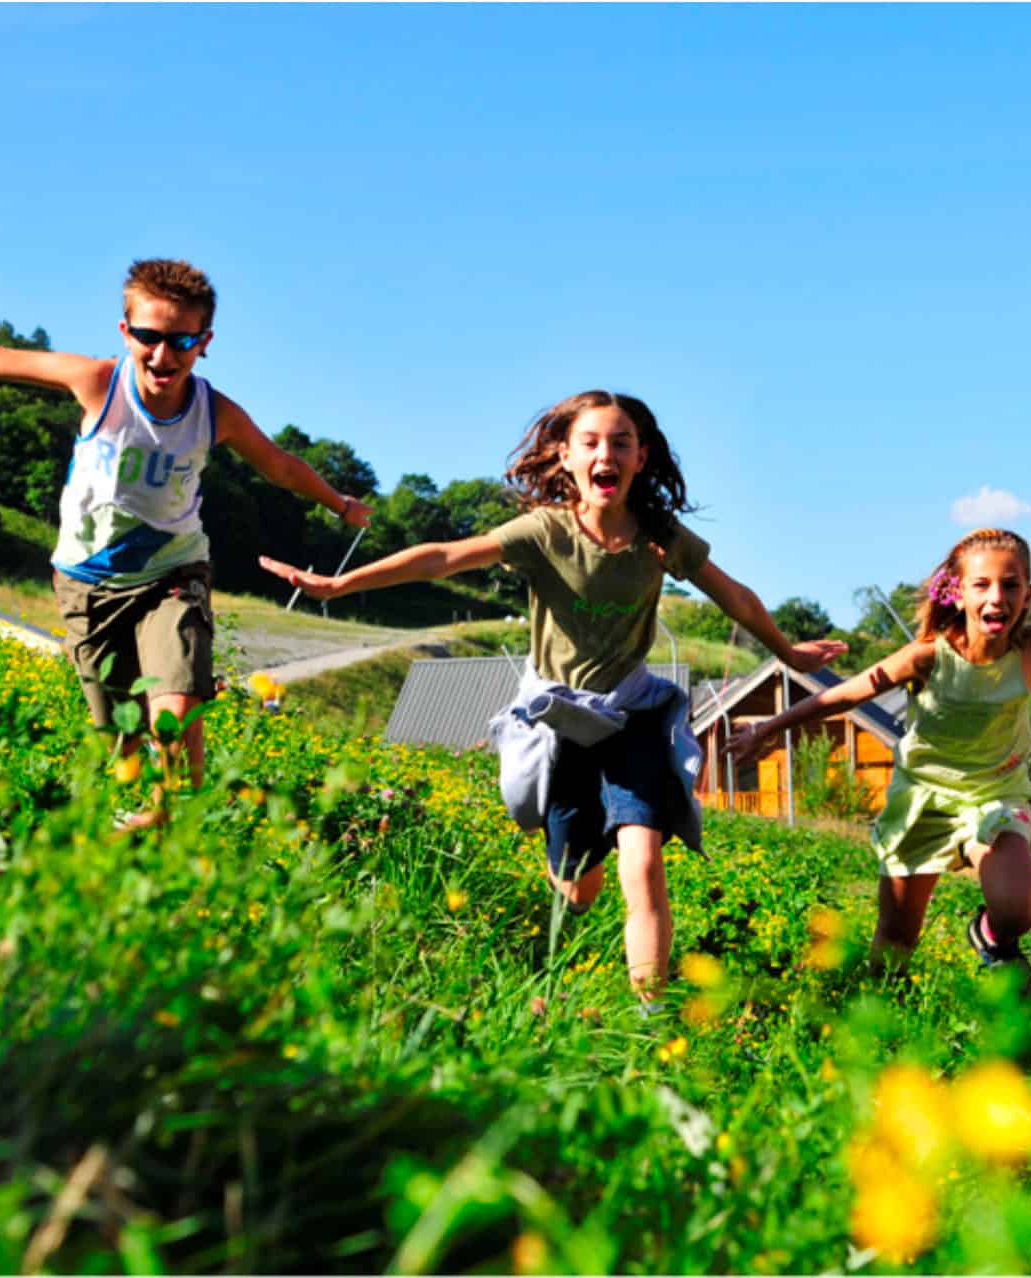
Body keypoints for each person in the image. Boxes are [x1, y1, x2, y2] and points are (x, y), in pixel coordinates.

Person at [259, 389, 843, 1003]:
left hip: (630, 715)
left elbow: (737, 597)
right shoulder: (544, 532)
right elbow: (444, 557)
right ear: (564, 456)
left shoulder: (660, 538)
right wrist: (342, 584)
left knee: (642, 864)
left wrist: (787, 651)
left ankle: (651, 1017)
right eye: (590, 442)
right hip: (561, 720)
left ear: (642, 457)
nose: (605, 454)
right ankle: (565, 911)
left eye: (621, 442)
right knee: (577, 888)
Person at [0, 262, 371, 815]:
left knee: (172, 711)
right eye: (149, 338)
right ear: (126, 332)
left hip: (173, 573)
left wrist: (340, 504)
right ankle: (135, 820)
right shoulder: (100, 382)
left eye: (181, 340)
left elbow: (280, 466)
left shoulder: (214, 412)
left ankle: (174, 828)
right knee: (123, 738)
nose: (163, 356)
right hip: (87, 586)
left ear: (204, 342)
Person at [725, 527, 1031, 991]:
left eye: (1011, 585)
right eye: (982, 585)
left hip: (996, 796)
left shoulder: (1030, 645)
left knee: (1016, 912)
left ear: (1028, 593)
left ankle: (991, 939)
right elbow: (845, 694)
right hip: (925, 800)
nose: (997, 598)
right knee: (896, 942)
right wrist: (767, 730)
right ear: (958, 592)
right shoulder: (929, 656)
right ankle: (877, 1013)